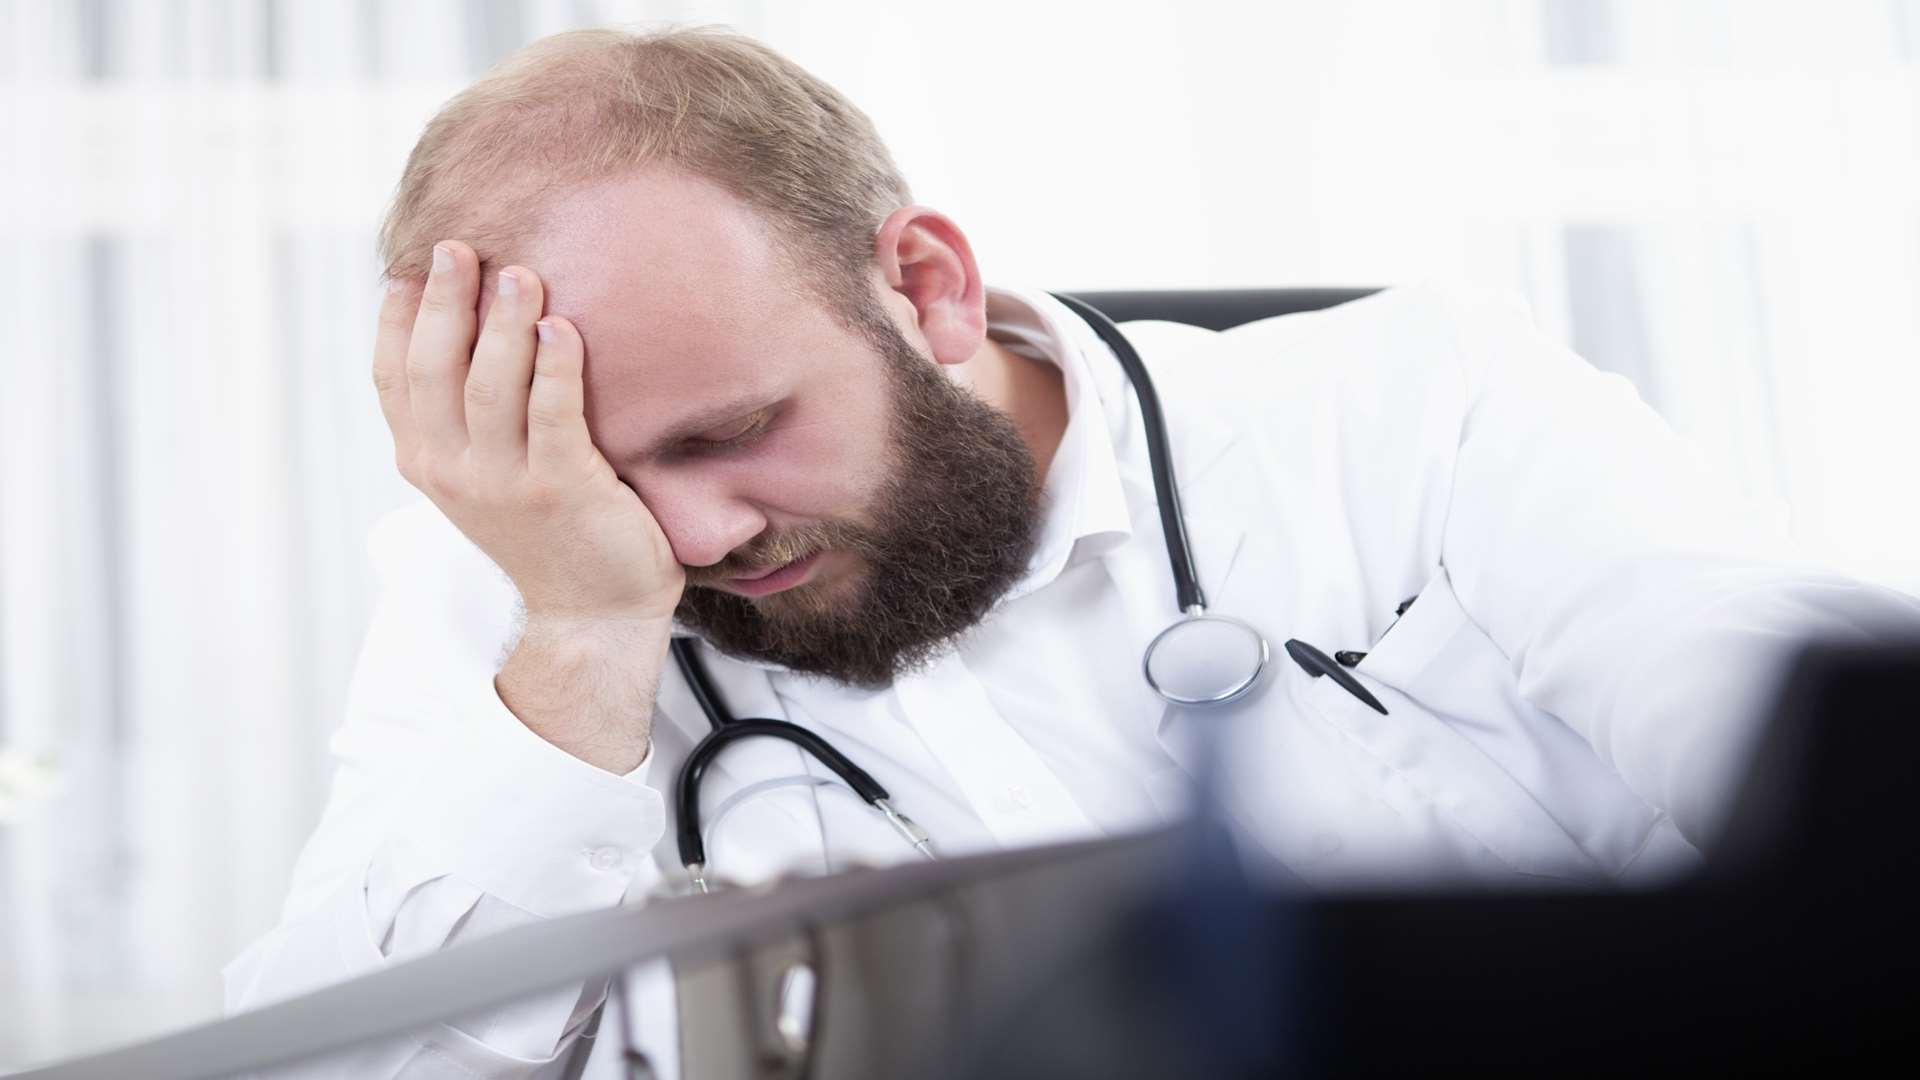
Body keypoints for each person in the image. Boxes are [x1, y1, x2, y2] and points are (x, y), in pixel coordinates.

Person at [222, 23, 1920, 1080]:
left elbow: (1812, 765)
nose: (690, 535)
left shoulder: (1412, 403)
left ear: (930, 285)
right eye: (607, 477)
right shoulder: (523, 591)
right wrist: (582, 634)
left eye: (730, 431)